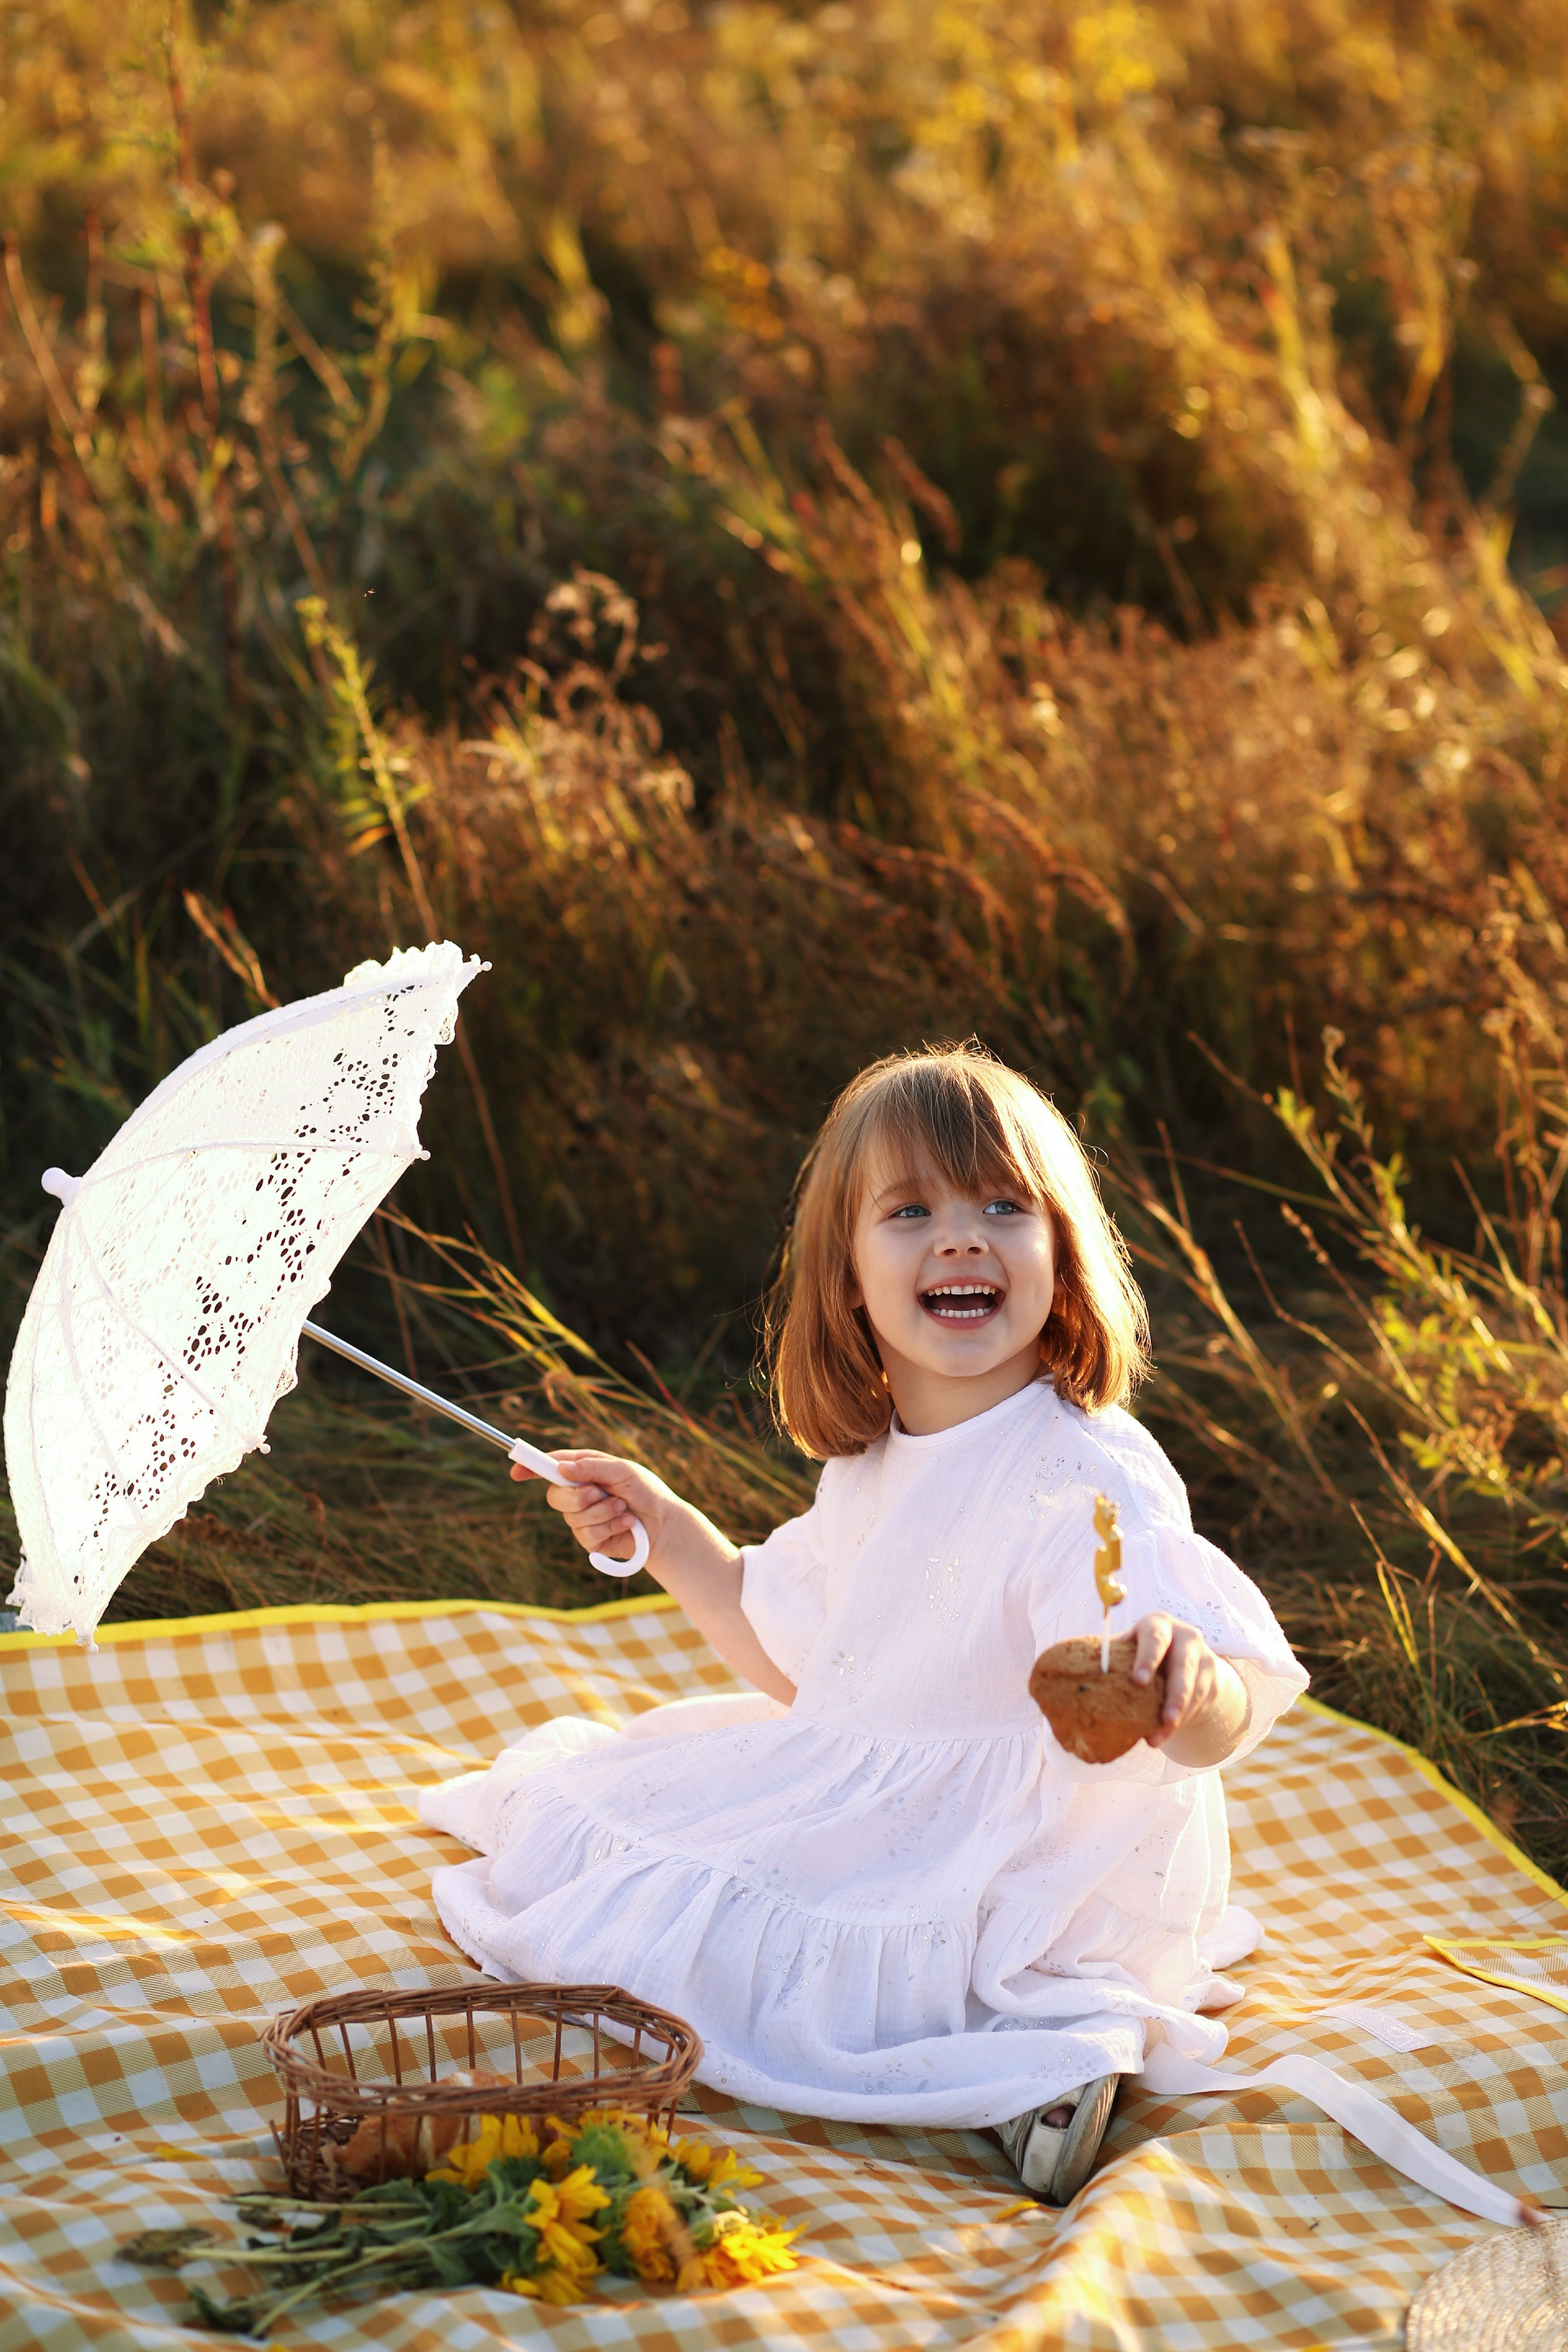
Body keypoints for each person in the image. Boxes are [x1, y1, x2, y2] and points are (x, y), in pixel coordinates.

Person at [420, 1045, 1307, 2206]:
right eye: (910, 1211)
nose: (961, 1238)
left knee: (881, 1954)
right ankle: (1017, 2043)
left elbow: (1179, 1688)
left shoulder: (1084, 1477)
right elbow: (802, 1662)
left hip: (1039, 1843)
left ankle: (1058, 2060)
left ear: (1063, 1253)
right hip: (894, 1796)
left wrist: (1185, 1686)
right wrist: (669, 1527)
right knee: (627, 1840)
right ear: (845, 1275)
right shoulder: (876, 1461)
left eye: (1004, 1205)